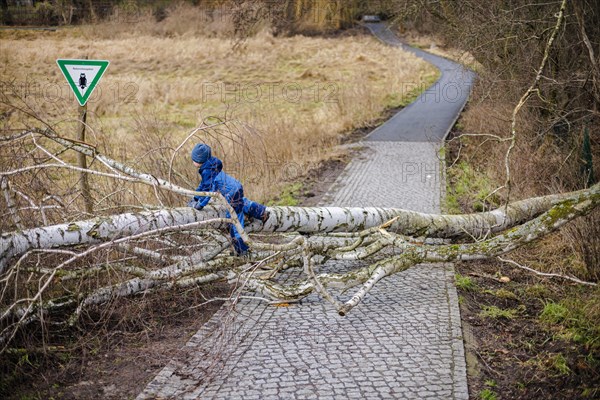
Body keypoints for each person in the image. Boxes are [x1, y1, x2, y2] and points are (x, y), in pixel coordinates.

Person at [187, 143, 269, 255]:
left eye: (194, 159)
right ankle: (261, 212)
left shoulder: (207, 171)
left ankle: (242, 250)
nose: (192, 162)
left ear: (199, 160)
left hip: (231, 194)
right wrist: (196, 197)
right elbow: (203, 186)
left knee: (234, 221)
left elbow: (209, 192)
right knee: (243, 203)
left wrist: (200, 205)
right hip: (236, 187)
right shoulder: (210, 166)